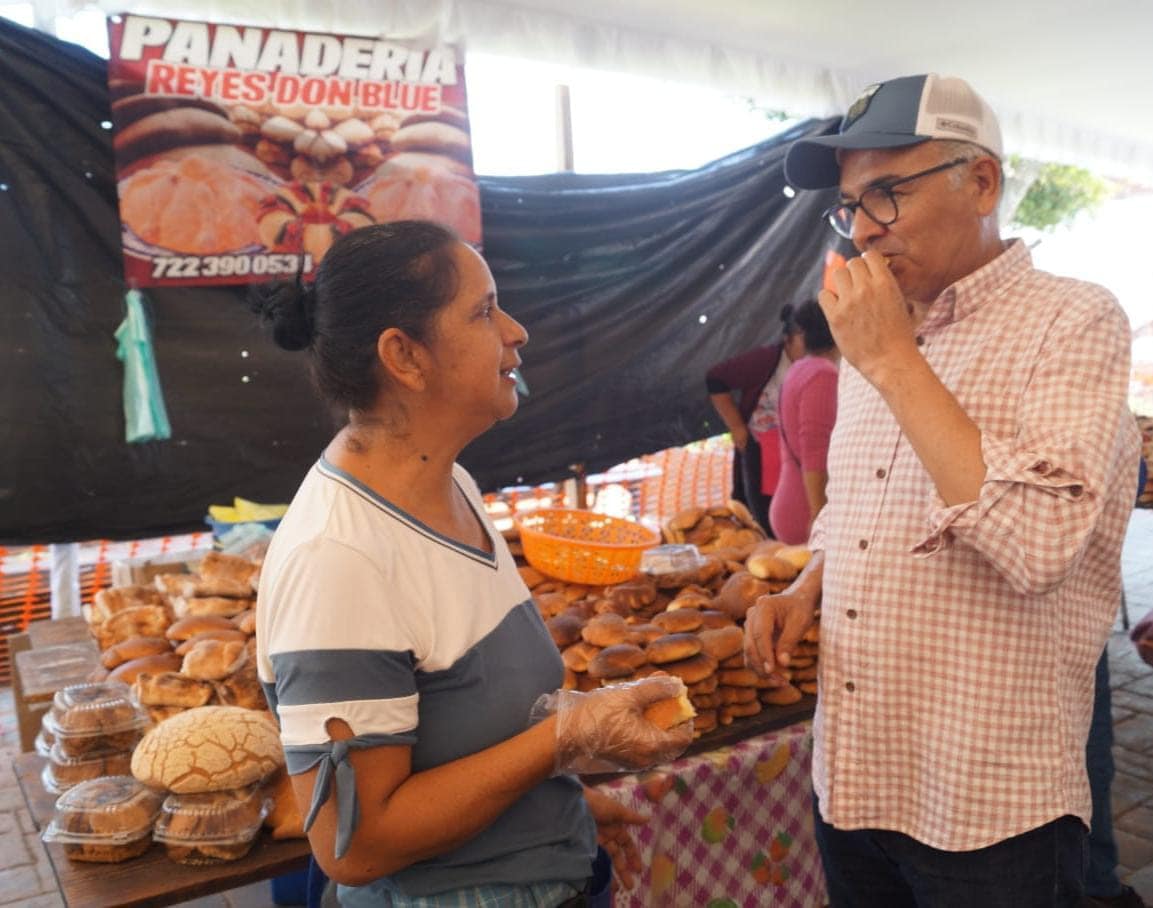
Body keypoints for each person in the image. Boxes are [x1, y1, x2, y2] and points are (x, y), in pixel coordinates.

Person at [743, 73, 1141, 905]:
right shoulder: (877, 334)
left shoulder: (1072, 319)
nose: (861, 231)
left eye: (885, 193)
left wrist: (892, 360)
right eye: (849, 206)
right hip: (854, 772)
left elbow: (1036, 544)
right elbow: (859, 508)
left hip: (988, 799)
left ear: (982, 182)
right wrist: (809, 587)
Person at [250, 221, 692, 906]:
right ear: (404, 356)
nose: (515, 331)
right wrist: (567, 737)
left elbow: (468, 735)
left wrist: (550, 811)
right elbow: (356, 844)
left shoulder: (449, 484)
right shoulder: (337, 558)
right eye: (484, 311)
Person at [706, 305, 806, 532]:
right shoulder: (765, 360)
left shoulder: (823, 362)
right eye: (803, 339)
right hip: (763, 449)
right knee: (765, 522)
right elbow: (715, 379)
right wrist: (737, 427)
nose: (810, 348)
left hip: (801, 451)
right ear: (787, 339)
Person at [769, 300, 839, 544]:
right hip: (807, 510)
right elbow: (815, 451)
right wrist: (818, 515)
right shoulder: (823, 374)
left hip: (794, 499)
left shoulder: (799, 368)